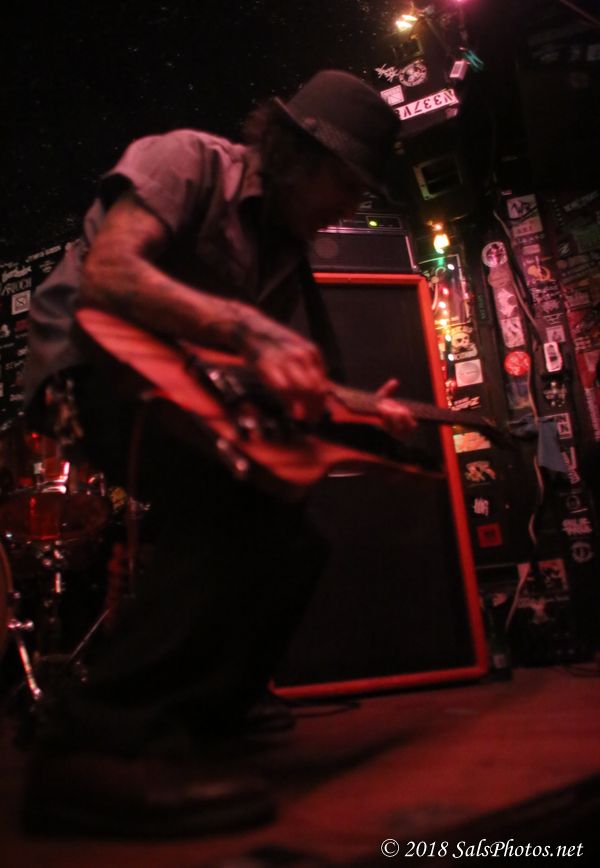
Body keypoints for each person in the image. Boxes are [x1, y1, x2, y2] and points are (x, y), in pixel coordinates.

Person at [21, 70, 416, 836]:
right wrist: (250, 330)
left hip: (174, 386)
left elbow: (238, 372)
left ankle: (200, 720)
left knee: (297, 539)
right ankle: (91, 746)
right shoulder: (187, 160)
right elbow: (111, 275)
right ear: (300, 152)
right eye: (345, 183)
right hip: (84, 363)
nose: (349, 206)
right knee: (230, 509)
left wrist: (363, 406)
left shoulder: (283, 254)